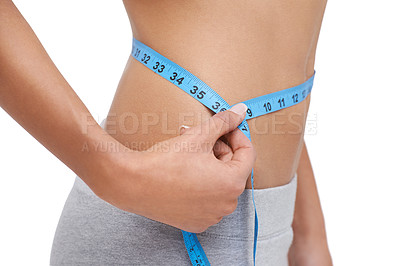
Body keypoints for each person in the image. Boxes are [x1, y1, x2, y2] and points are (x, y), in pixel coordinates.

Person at [0, 0, 332, 265]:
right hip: (151, 232)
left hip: (277, 229)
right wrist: (114, 175)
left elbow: (266, 46)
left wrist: (309, 237)